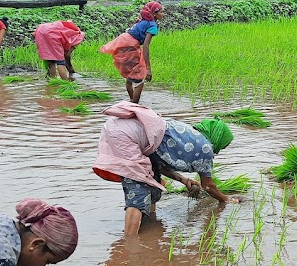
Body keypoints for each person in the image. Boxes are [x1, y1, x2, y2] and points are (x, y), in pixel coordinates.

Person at [92, 101, 237, 236]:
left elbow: (158, 161)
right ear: (218, 138)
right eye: (223, 145)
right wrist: (226, 199)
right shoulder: (205, 148)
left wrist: (183, 180)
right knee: (138, 189)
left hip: (118, 125)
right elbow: (209, 186)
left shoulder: (186, 133)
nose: (219, 150)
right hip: (126, 135)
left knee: (153, 182)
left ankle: (149, 226)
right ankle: (129, 245)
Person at [100, 1, 164, 103]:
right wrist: (148, 68)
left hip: (122, 42)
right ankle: (134, 105)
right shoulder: (152, 25)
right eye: (161, 12)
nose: (163, 14)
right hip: (129, 46)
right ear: (154, 14)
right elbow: (146, 46)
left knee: (130, 76)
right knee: (139, 81)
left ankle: (131, 101)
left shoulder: (143, 21)